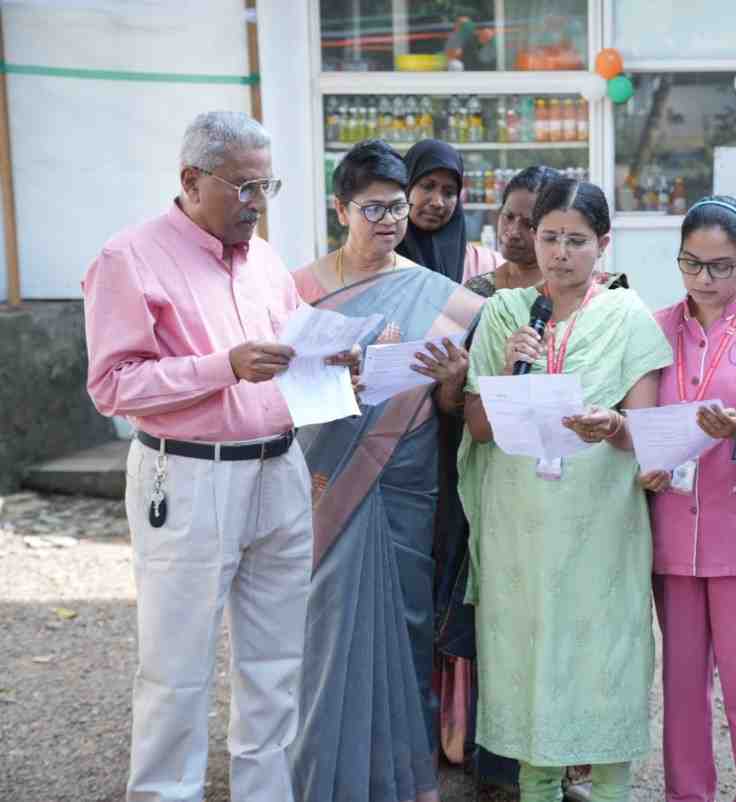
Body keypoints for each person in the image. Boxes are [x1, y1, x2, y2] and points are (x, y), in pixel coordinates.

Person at [83, 110, 343, 802]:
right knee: (176, 666)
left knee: (277, 660)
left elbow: (281, 359)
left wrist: (329, 360)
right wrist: (221, 366)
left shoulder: (263, 260)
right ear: (191, 181)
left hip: (279, 468)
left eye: (268, 187)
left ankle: (266, 792)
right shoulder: (127, 258)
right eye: (245, 188)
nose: (258, 205)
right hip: (190, 475)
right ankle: (167, 792)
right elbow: (112, 386)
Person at [458, 177, 672, 802]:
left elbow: (644, 435)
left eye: (575, 240)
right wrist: (502, 373)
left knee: (603, 658)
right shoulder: (503, 312)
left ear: (603, 244)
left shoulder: (628, 317)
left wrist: (613, 426)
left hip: (599, 525)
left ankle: (608, 788)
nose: (558, 252)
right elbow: (476, 426)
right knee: (531, 662)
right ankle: (538, 787)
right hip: (518, 529)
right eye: (548, 236)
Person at [288, 139, 485, 801]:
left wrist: (455, 381)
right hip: (324, 473)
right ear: (340, 208)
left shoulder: (439, 297)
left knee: (403, 626)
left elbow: (451, 406)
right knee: (323, 628)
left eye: (397, 207)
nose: (389, 220)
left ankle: (405, 778)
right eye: (373, 207)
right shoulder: (300, 291)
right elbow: (275, 393)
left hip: (404, 473)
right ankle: (319, 775)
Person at [636, 196, 736, 802]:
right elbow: (640, 419)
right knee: (682, 684)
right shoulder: (653, 327)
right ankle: (688, 793)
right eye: (691, 263)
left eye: (721, 266)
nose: (704, 279)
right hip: (674, 531)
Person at [466, 165, 627, 299]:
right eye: (508, 216)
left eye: (528, 223)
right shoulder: (477, 293)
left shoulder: (605, 294)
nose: (513, 232)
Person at [398, 138, 502, 284]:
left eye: (449, 192)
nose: (437, 203)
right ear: (406, 187)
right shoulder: (378, 263)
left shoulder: (486, 267)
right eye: (427, 186)